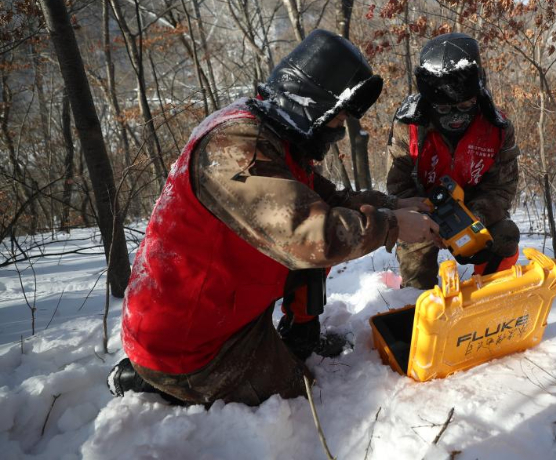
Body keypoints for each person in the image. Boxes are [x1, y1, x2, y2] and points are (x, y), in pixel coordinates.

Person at [108, 30, 439, 406]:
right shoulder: (237, 148)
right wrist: (392, 226)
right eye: (336, 119)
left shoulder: (273, 134)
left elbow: (331, 200)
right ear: (312, 105)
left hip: (229, 315)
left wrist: (394, 205)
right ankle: (156, 381)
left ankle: (298, 339)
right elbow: (311, 234)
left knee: (323, 224)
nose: (338, 131)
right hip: (186, 342)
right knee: (298, 396)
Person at [387, 33, 521, 290]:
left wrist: (475, 218)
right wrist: (432, 221)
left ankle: (490, 294)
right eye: (445, 109)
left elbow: (502, 188)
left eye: (465, 104)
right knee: (414, 253)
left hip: (474, 207)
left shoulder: (497, 128)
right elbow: (397, 187)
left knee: (505, 235)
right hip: (424, 209)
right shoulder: (409, 127)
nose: (456, 115)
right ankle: (419, 304)